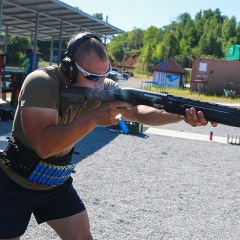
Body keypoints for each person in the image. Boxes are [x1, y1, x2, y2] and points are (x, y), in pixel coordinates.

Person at [0, 32, 217, 240]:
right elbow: (45, 147)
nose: (101, 84)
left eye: (105, 76)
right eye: (93, 77)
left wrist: (182, 114)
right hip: (14, 182)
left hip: (55, 183)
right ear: (69, 70)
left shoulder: (103, 88)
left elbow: (140, 111)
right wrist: (93, 118)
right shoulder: (41, 82)